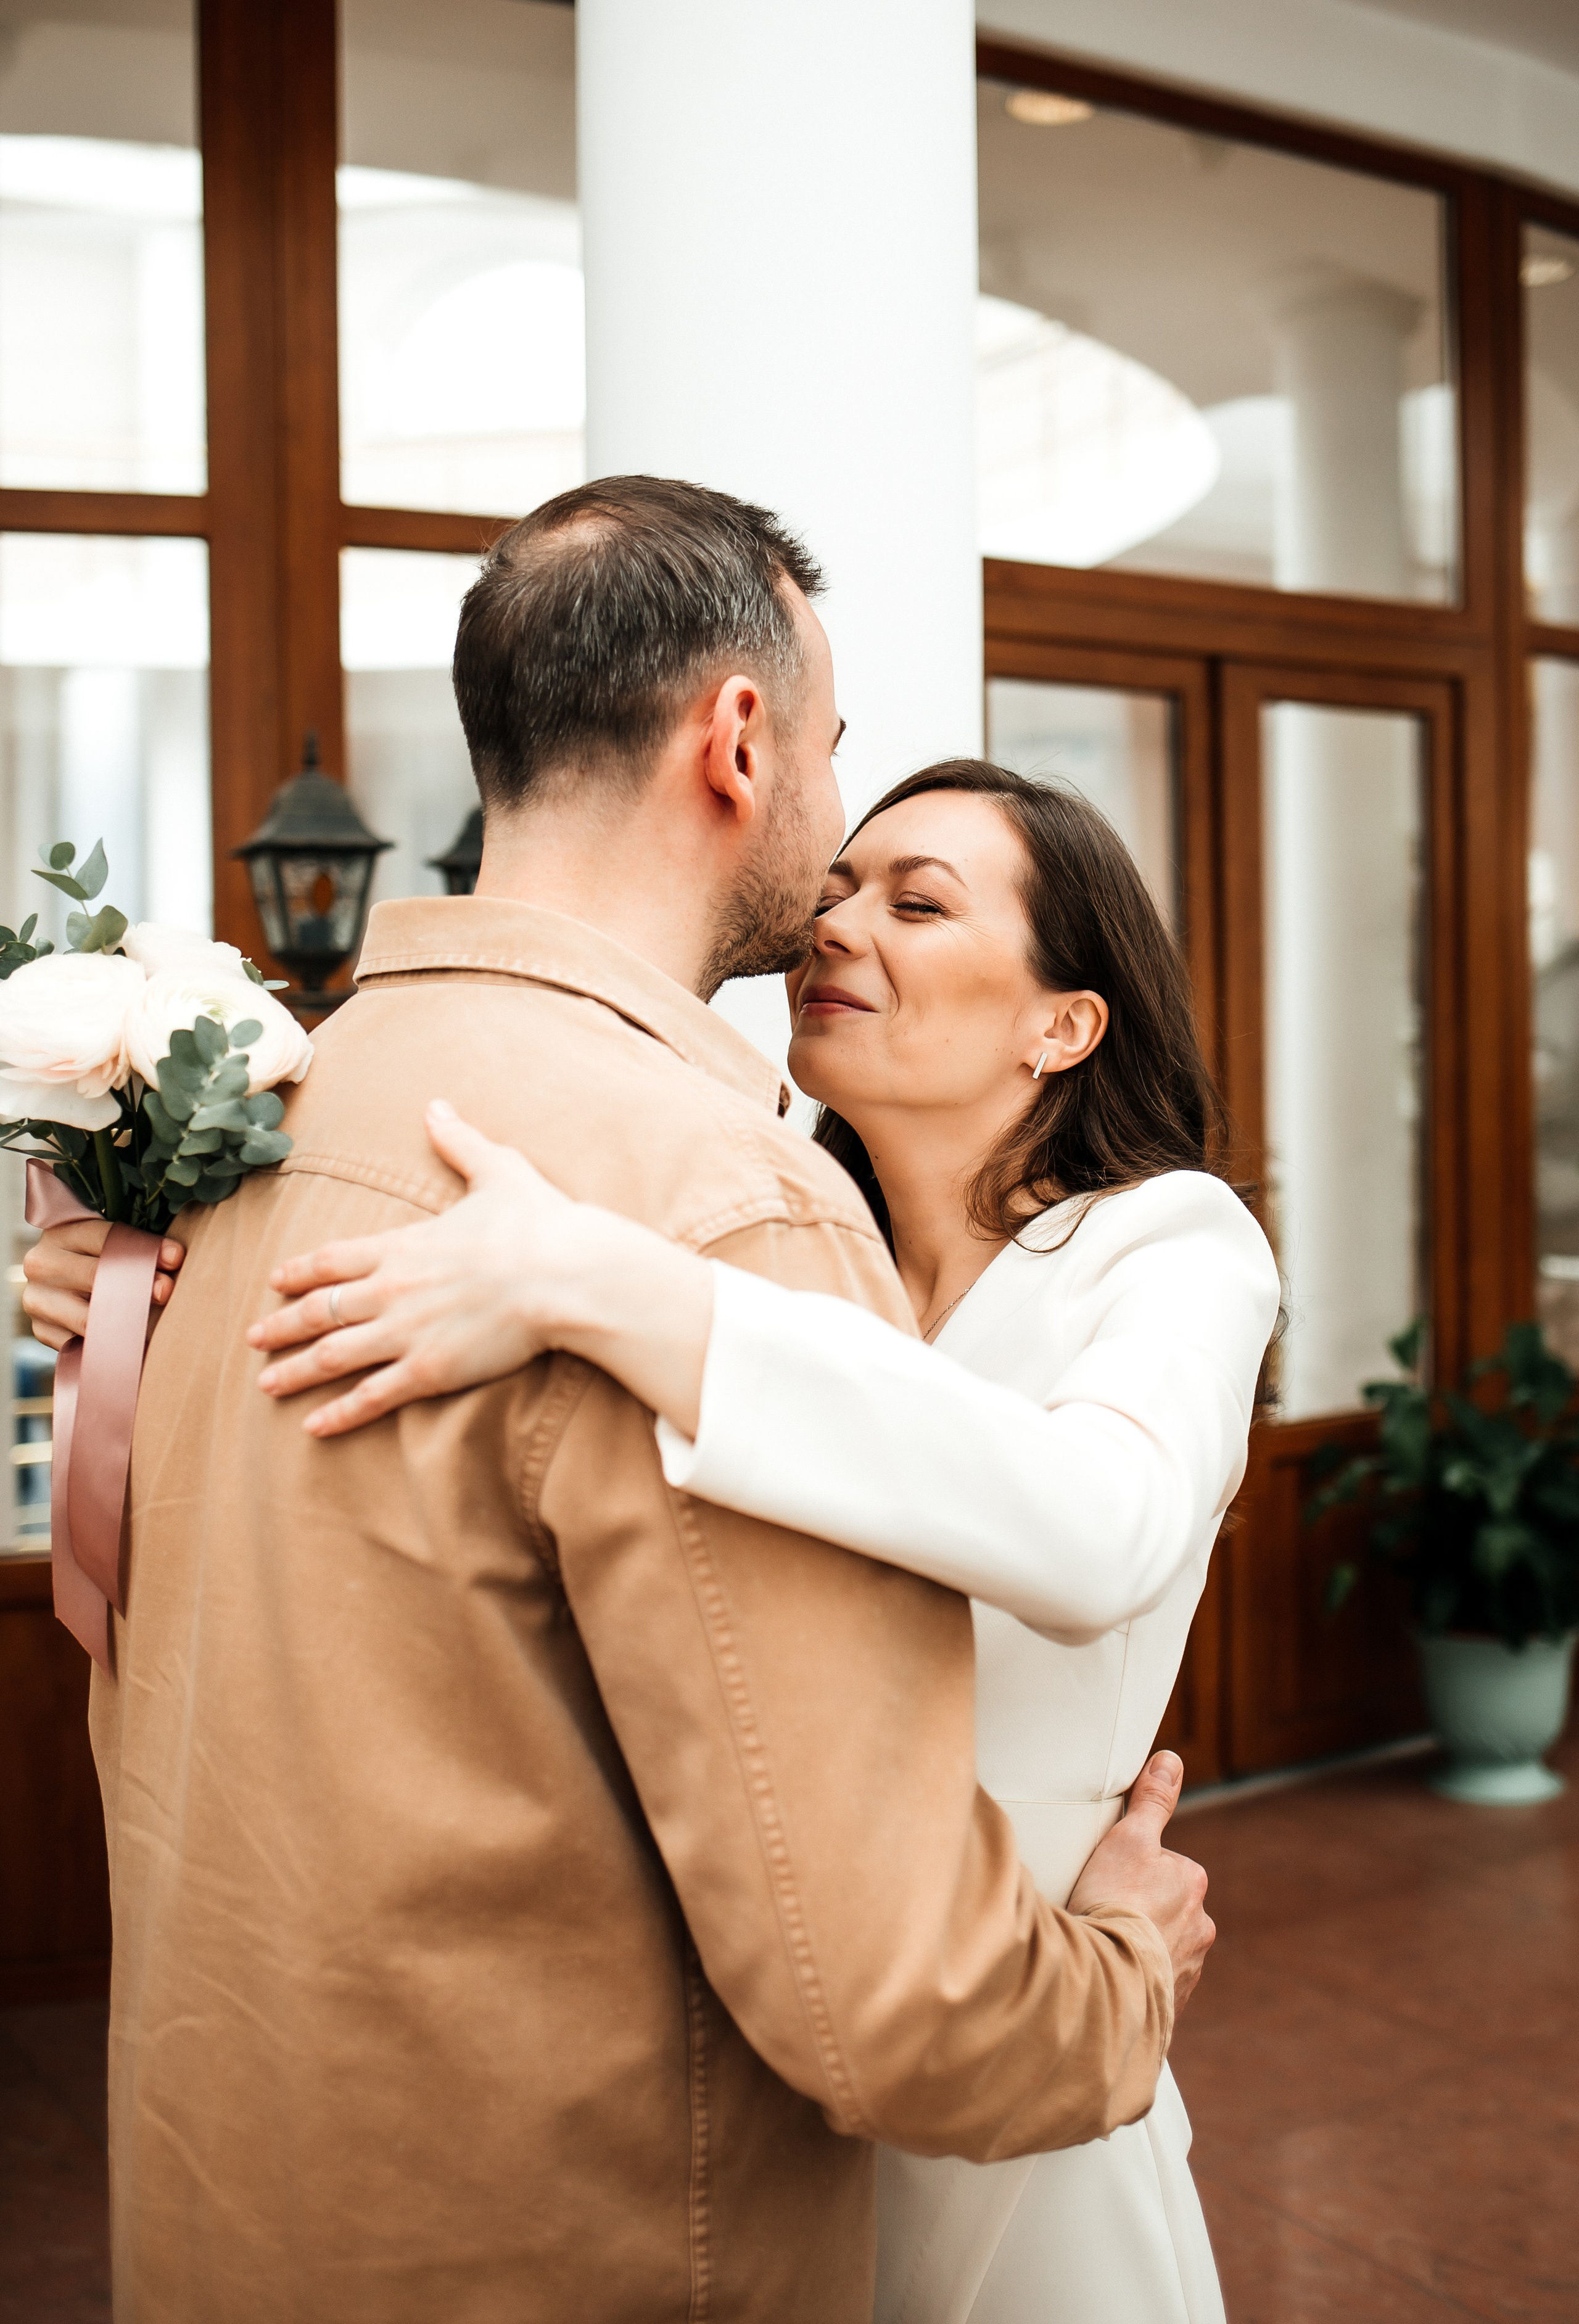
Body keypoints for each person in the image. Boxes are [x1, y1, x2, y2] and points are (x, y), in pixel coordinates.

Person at [24, 478, 1214, 2324]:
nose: (835, 859)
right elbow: (890, 1997)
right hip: (575, 2243)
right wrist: (1123, 1970)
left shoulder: (266, 1127)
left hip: (230, 2214)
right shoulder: (719, 1199)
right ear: (740, 741)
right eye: (833, 755)